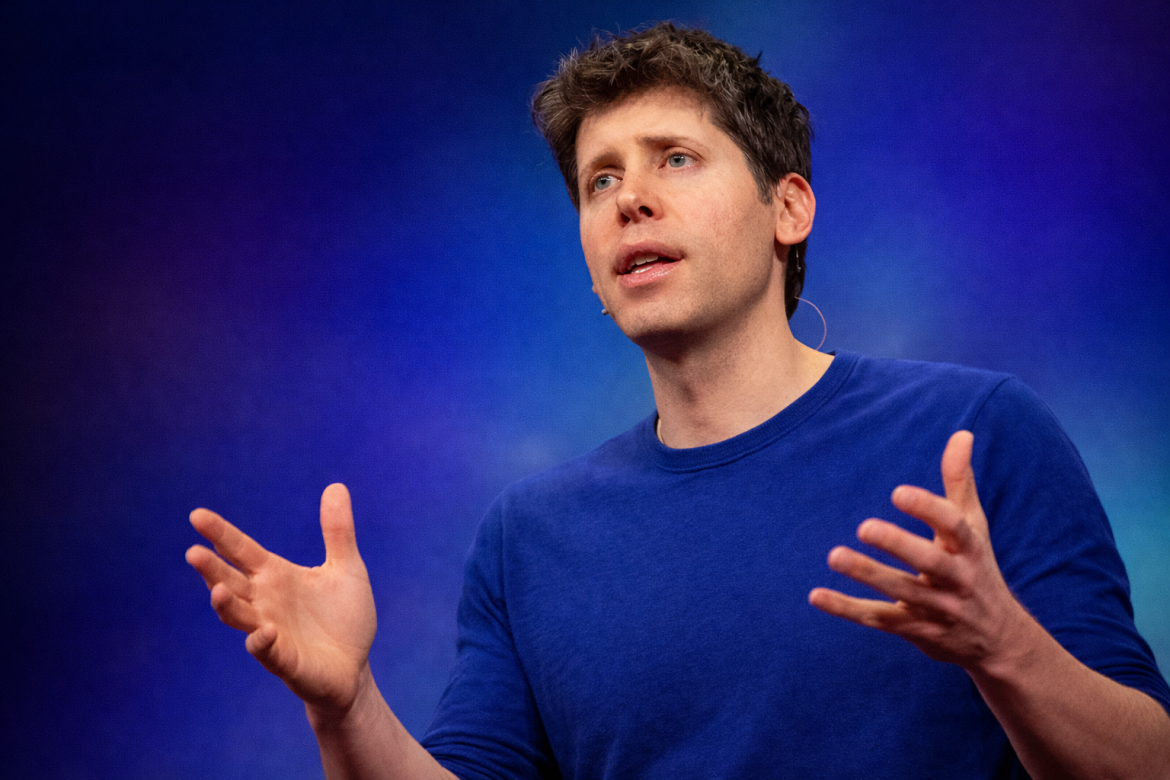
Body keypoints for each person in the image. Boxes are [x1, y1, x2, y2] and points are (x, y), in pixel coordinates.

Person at [186, 22, 1170, 780]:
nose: (629, 198)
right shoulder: (528, 540)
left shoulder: (975, 435)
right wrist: (348, 706)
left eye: (676, 158)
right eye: (599, 180)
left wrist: (1004, 647)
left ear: (789, 208)